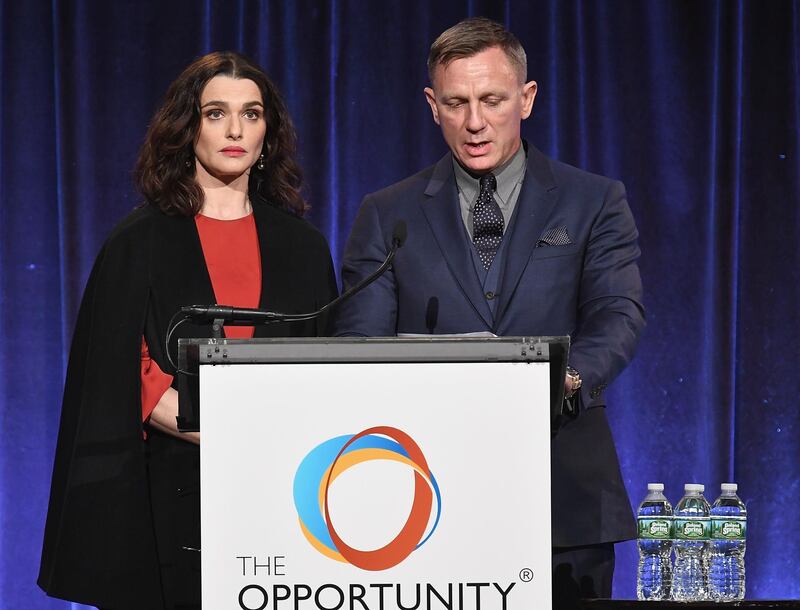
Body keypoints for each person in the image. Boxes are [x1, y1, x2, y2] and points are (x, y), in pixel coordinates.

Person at [334, 17, 645, 603]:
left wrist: (562, 377)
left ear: (525, 99)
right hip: (425, 499)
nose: (475, 122)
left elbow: (617, 315)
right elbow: (362, 348)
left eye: (492, 100)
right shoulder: (387, 213)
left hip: (563, 488)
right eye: (457, 102)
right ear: (433, 106)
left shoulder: (593, 201)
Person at [38, 51, 337, 610]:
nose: (234, 130)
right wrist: (218, 430)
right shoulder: (140, 240)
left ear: (268, 132)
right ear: (186, 127)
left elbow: (325, 362)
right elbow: (119, 369)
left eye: (251, 114)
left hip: (281, 494)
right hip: (168, 493)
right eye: (215, 113)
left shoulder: (303, 246)